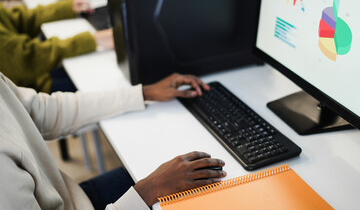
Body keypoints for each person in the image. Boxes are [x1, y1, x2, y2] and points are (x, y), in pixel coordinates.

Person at [0, 71, 227, 209]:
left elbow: (43, 110)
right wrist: (148, 191)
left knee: (166, 167)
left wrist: (145, 92)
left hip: (70, 199)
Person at [0, 0, 113, 93]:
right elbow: (26, 59)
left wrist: (66, 8)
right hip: (32, 92)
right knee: (104, 81)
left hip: (35, 75)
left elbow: (20, 20)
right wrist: (92, 40)